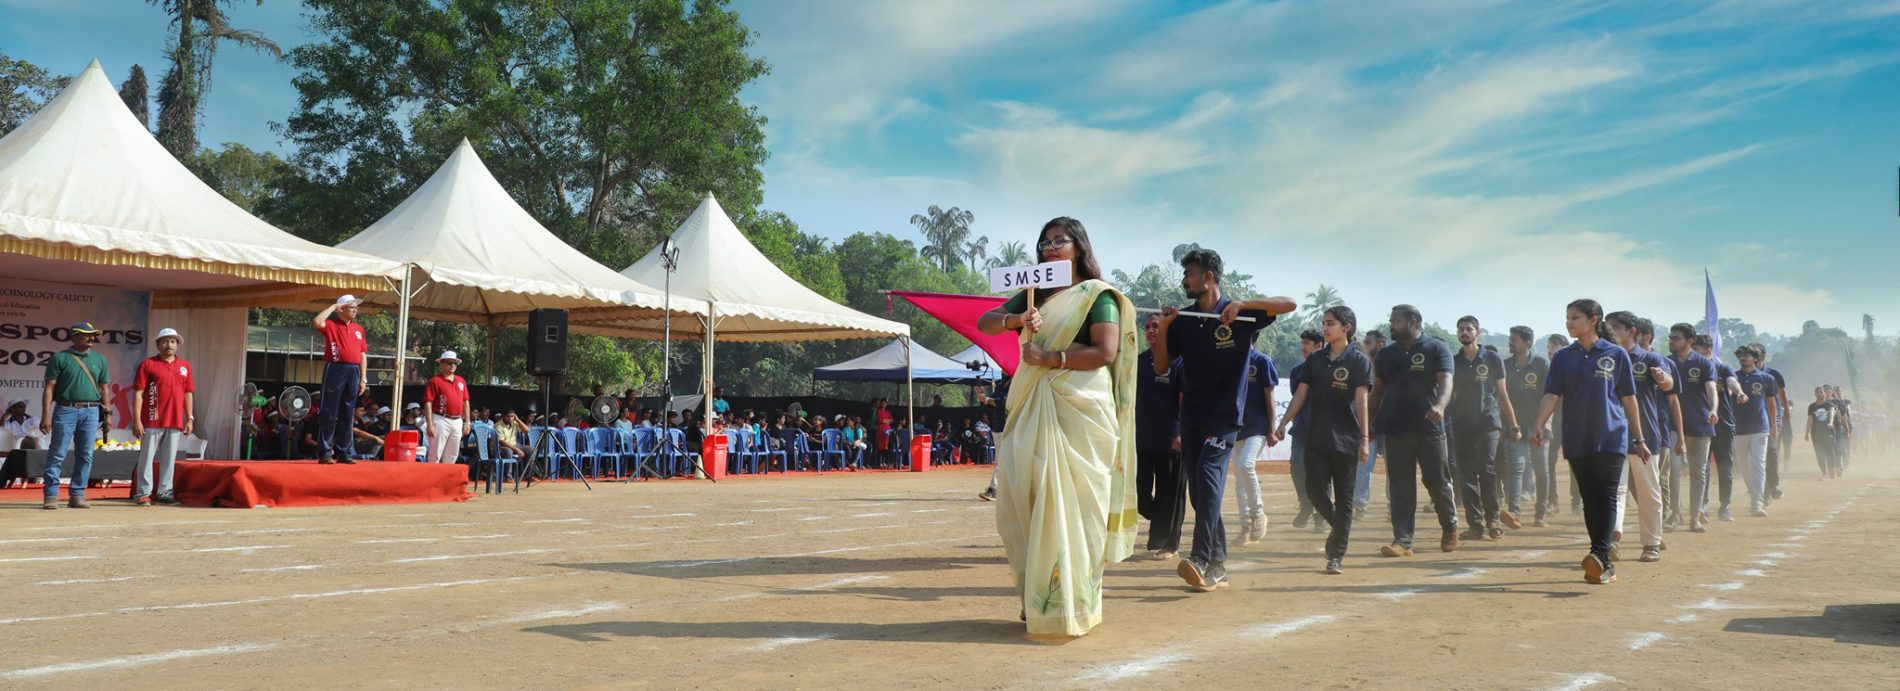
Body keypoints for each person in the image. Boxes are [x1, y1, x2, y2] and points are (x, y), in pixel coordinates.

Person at [978, 216, 1138, 638]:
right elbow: (986, 322)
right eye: (1044, 242)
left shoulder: (1096, 297)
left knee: (1074, 504)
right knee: (1023, 496)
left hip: (1080, 410)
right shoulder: (1035, 294)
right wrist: (1016, 321)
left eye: (1059, 240)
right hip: (1032, 406)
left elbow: (1105, 350)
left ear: (1079, 246)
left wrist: (1051, 359)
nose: (1050, 247)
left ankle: (1073, 603)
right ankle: (1037, 598)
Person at [1152, 247, 1295, 592]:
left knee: (1208, 475)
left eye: (1189, 273)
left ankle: (1201, 557)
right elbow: (1161, 367)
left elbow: (1288, 304)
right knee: (1201, 494)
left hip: (1226, 417)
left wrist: (1244, 305)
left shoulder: (1239, 314)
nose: (1184, 280)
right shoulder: (1183, 320)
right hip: (1192, 416)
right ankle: (1218, 565)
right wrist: (1166, 327)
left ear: (1208, 277)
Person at [1531, 299, 1645, 585]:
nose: (1569, 323)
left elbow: (1629, 398)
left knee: (1606, 496)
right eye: (1567, 317)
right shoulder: (1563, 357)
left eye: (1575, 318)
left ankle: (1599, 554)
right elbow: (1552, 394)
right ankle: (1601, 561)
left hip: (1611, 436)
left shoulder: (1616, 354)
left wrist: (1639, 437)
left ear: (1593, 320)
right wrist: (1539, 423)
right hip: (1576, 436)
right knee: (1589, 499)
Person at [1273, 306, 1372, 574]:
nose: (1326, 328)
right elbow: (1300, 396)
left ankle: (1335, 554)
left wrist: (1364, 439)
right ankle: (1340, 529)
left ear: (1346, 327)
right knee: (1315, 492)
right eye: (1324, 323)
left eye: (1331, 323)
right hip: (1316, 438)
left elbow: (1362, 401)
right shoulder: (1315, 361)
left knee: (1345, 500)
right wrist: (1282, 424)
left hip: (1347, 441)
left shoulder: (1359, 361)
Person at [1368, 305, 1461, 556]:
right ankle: (1403, 540)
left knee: (1437, 481)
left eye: (1395, 321)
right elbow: (1377, 391)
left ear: (1413, 321)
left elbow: (1446, 381)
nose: (1391, 325)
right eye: (1391, 321)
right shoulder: (1385, 354)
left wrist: (1440, 406)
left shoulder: (1436, 348)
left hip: (1429, 428)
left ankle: (1450, 526)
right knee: (1400, 485)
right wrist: (1368, 424)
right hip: (1396, 428)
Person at [1606, 312, 1671, 563]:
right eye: (1608, 328)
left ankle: (1651, 543)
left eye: (1616, 328)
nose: (1611, 332)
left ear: (1632, 332)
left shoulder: (1650, 358)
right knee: (1615, 491)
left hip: (1645, 436)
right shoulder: (1606, 359)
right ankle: (1613, 539)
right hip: (1612, 435)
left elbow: (1668, 384)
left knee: (1648, 491)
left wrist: (1663, 379)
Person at [1449, 316, 1520, 541]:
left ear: (1477, 332)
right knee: (1466, 474)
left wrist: (1514, 425)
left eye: (1468, 329)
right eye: (1461, 329)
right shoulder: (1453, 361)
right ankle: (1476, 525)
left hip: (1489, 422)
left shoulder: (1491, 358)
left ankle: (1494, 520)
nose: (1464, 332)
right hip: (1461, 424)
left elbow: (1502, 394)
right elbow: (1448, 394)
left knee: (1486, 467)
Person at [39, 322, 109, 510]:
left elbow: (104, 388)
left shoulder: (100, 359)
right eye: (87, 335)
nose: (92, 338)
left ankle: (77, 495)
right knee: (57, 453)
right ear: (75, 336)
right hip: (65, 409)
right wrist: (45, 415)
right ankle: (51, 495)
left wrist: (108, 413)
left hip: (92, 410)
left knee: (85, 454)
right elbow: (49, 388)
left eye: (93, 335)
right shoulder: (60, 358)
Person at [1133, 314, 1185, 560]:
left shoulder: (1181, 361)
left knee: (1170, 493)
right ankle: (1163, 523)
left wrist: (1182, 432)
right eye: (1148, 327)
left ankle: (1170, 544)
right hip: (1143, 437)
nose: (1152, 330)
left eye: (1157, 326)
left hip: (1172, 439)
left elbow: (1188, 399)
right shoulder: (1140, 361)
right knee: (1141, 495)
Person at [1666, 324, 1722, 533]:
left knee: (1698, 472)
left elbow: (1711, 389)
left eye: (1676, 338)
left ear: (1690, 341)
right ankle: (1675, 513)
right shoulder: (1666, 362)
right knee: (1672, 469)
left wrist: (1714, 409)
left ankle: (1695, 516)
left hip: (1700, 424)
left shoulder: (1704, 364)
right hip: (1671, 424)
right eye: (1671, 337)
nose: (1672, 341)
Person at [129, 326, 193, 505]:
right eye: (165, 341)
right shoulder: (148, 364)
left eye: (173, 341)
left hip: (174, 420)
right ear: (158, 344)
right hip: (152, 419)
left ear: (177, 345)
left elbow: (188, 394)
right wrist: (137, 420)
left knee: (169, 459)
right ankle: (143, 493)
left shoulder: (185, 366)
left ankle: (165, 492)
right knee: (146, 458)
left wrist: (190, 418)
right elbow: (138, 393)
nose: (169, 345)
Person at [1501, 326, 1550, 527]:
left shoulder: (1541, 364)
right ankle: (1514, 513)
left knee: (1541, 470)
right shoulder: (1505, 365)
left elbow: (1551, 396)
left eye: (1515, 340)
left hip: (1538, 426)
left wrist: (1544, 424)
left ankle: (1541, 514)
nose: (1510, 342)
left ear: (1528, 343)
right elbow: (1502, 397)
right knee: (1516, 468)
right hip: (1514, 427)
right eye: (1510, 339)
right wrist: (1512, 425)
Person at [311, 295, 368, 464]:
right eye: (351, 307)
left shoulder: (359, 329)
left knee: (348, 412)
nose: (355, 310)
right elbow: (317, 321)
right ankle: (325, 451)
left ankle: (345, 451)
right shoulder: (331, 325)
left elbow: (362, 354)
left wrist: (363, 378)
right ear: (341, 309)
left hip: (353, 370)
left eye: (356, 307)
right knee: (329, 411)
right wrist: (333, 305)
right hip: (335, 368)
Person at [1234, 345, 1280, 544]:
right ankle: (1245, 527)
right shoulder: (1231, 358)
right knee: (1238, 476)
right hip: (1235, 427)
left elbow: (1270, 395)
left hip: (1258, 427)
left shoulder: (1262, 361)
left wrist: (1272, 427)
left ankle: (1259, 515)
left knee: (1245, 465)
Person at [1695, 335, 1744, 522]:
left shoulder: (1723, 369)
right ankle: (1702, 505)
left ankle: (1725, 506)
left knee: (1725, 467)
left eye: (1697, 349)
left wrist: (1739, 392)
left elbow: (1732, 381)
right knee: (1702, 468)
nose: (1693, 353)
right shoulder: (1693, 370)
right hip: (1700, 426)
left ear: (1708, 351)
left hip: (1723, 426)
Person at [1282, 329, 1324, 533]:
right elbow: (1297, 400)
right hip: (1301, 430)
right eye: (1303, 343)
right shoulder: (1296, 372)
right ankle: (1305, 504)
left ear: (1319, 346)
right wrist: (1283, 424)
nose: (1303, 347)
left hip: (1324, 432)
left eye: (1308, 343)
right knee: (1297, 468)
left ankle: (1321, 516)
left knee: (1323, 475)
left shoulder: (1328, 369)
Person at [1731, 344, 1780, 517]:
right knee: (1744, 466)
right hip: (1738, 428)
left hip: (1760, 427)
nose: (1743, 358)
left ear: (1756, 358)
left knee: (1759, 464)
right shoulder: (1733, 378)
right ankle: (1755, 494)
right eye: (1741, 355)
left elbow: (1771, 404)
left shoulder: (1767, 378)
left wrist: (1774, 426)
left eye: (1748, 355)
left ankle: (1757, 503)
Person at [1354, 329, 1388, 518]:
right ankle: (1360, 506)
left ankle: (1394, 508)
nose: (1365, 346)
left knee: (1394, 471)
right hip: (1368, 427)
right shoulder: (1362, 366)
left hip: (1390, 427)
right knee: (1363, 466)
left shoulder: (1391, 365)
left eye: (1368, 342)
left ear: (1380, 344)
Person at [423, 351, 471, 464]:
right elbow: (428, 402)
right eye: (449, 363)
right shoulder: (435, 381)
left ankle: (446, 481)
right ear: (441, 364)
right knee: (435, 453)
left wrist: (467, 422)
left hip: (457, 420)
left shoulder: (461, 381)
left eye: (455, 363)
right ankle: (432, 480)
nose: (453, 365)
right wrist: (429, 423)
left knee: (452, 454)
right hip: (440, 418)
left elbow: (466, 402)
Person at [1760, 350, 1791, 503]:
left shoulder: (1773, 374)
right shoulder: (1742, 375)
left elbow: (1782, 393)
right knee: (1758, 459)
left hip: (1773, 420)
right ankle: (1763, 489)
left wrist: (1786, 413)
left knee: (1771, 454)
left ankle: (1772, 486)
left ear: (1762, 356)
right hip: (1755, 422)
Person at [1805, 387, 1842, 480]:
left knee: (1830, 451)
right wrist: (1806, 432)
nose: (1819, 394)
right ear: (1815, 394)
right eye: (1817, 392)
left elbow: (1831, 413)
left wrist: (1830, 422)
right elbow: (1810, 419)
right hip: (1816, 433)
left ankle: (1832, 470)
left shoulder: (1829, 404)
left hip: (1827, 431)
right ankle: (1824, 473)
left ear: (1824, 394)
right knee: (1819, 452)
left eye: (1821, 392)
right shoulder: (1812, 406)